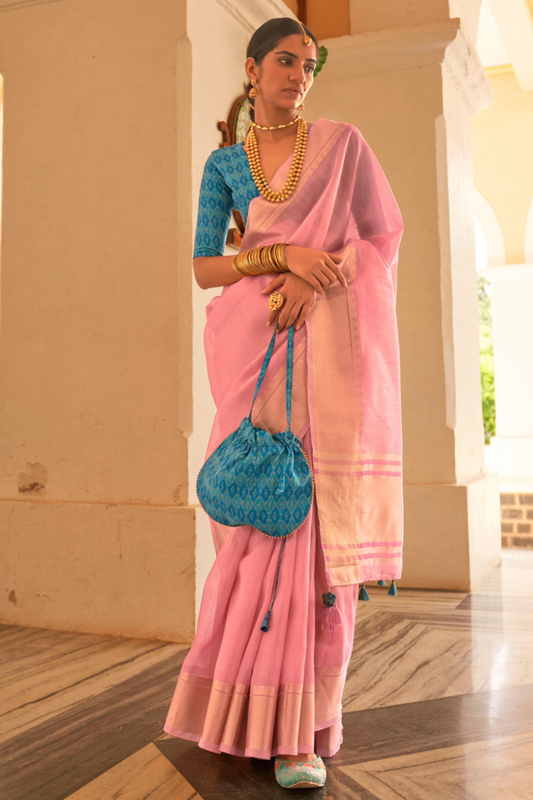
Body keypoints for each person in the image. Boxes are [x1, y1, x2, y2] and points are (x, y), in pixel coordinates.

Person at [164, 16, 405, 791]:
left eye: (308, 64)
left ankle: (299, 729)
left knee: (310, 521)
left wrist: (312, 276)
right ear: (250, 67)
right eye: (284, 61)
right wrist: (279, 257)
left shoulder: (341, 146)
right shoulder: (225, 165)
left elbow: (378, 237)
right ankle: (233, 714)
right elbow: (207, 266)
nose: (298, 75)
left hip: (325, 341)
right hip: (251, 345)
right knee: (255, 515)